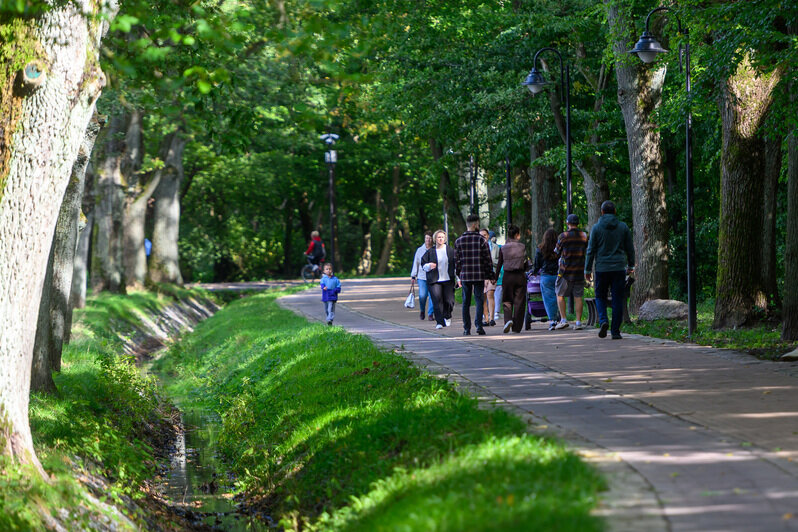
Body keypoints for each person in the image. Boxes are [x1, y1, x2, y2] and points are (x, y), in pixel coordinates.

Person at [584, 200, 635, 340]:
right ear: (615, 212)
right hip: (619, 268)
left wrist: (587, 270)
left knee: (600, 296)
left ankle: (603, 320)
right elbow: (630, 249)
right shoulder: (623, 227)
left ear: (602, 212)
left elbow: (590, 250)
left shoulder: (596, 228)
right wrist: (631, 265)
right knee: (618, 298)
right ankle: (615, 332)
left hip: (601, 268)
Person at [454, 214, 495, 336]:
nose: (478, 226)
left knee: (466, 302)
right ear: (473, 225)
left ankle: (467, 328)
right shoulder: (481, 240)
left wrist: (459, 274)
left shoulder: (458, 241)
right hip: (478, 274)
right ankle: (479, 326)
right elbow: (487, 260)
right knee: (479, 300)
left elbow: (457, 261)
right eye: (477, 224)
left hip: (466, 275)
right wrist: (490, 275)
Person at [553, 214, 589, 330]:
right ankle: (578, 322)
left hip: (565, 271)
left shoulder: (563, 236)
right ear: (577, 223)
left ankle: (563, 319)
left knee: (560, 294)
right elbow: (587, 250)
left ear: (567, 223)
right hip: (579, 270)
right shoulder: (584, 236)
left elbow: (556, 251)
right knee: (578, 296)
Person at [421, 230, 456, 330]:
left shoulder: (450, 250)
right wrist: (429, 266)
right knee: (437, 301)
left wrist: (458, 278)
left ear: (445, 239)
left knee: (449, 301)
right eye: (438, 237)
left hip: (448, 279)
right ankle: (439, 322)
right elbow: (423, 265)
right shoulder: (430, 252)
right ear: (435, 239)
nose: (440, 239)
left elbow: (456, 265)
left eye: (442, 237)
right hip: (434, 280)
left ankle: (447, 316)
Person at [496, 224, 527, 333]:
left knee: (507, 300)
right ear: (517, 235)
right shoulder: (522, 247)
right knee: (519, 301)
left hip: (507, 276)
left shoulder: (503, 248)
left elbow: (499, 264)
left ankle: (508, 320)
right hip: (520, 276)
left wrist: (495, 278)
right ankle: (517, 327)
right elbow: (526, 262)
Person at [533, 228, 560, 330]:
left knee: (548, 299)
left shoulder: (540, 249)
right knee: (559, 297)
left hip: (546, 276)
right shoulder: (559, 249)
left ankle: (552, 320)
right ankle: (561, 317)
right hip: (558, 275)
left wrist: (534, 272)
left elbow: (537, 265)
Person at [410, 232, 436, 321]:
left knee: (433, 295)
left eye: (430, 238)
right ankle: (422, 310)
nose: (428, 240)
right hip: (422, 277)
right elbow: (416, 263)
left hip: (433, 277)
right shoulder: (420, 250)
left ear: (432, 239)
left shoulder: (435, 249)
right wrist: (413, 275)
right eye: (426, 238)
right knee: (422, 295)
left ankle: (430, 313)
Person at [480, 229, 496, 326]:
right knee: (483, 297)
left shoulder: (495, 248)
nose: (483, 237)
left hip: (491, 274)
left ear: (488, 236)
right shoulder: (477, 247)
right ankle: (486, 318)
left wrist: (491, 261)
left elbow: (498, 261)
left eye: (485, 235)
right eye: (481, 235)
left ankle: (492, 318)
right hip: (481, 275)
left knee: (490, 294)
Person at [489, 231, 502, 323]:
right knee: (489, 294)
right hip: (489, 274)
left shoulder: (499, 247)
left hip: (499, 273)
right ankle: (490, 312)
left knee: (498, 291)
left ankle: (496, 311)